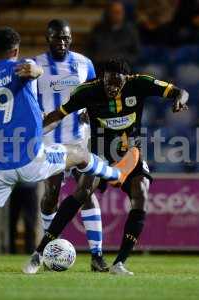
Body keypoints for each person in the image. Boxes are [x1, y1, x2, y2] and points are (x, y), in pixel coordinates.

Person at [0, 27, 136, 276]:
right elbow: (35, 70)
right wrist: (35, 72)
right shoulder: (24, 66)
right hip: (31, 159)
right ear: (16, 50)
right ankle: (117, 175)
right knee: (81, 154)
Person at [24, 58, 189, 275]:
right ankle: (39, 252)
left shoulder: (139, 83)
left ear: (125, 79)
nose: (113, 88)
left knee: (141, 194)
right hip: (99, 152)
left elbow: (180, 91)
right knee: (82, 192)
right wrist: (32, 135)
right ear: (103, 78)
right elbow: (58, 115)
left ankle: (119, 263)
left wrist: (178, 100)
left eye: (117, 84)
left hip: (130, 153)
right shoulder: (86, 91)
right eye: (109, 83)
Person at [34, 19, 108, 271]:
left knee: (86, 193)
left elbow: (97, 93)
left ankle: (97, 255)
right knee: (51, 196)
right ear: (48, 38)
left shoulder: (84, 63)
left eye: (66, 38)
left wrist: (92, 110)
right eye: (57, 38)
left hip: (78, 140)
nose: (62, 42)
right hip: (49, 141)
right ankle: (47, 249)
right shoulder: (36, 65)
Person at [86, 0, 140, 69]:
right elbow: (89, 50)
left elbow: (135, 54)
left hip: (122, 67)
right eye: (114, 12)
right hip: (100, 66)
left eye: (119, 12)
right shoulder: (98, 29)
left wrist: (121, 60)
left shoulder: (131, 31)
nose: (117, 15)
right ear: (108, 13)